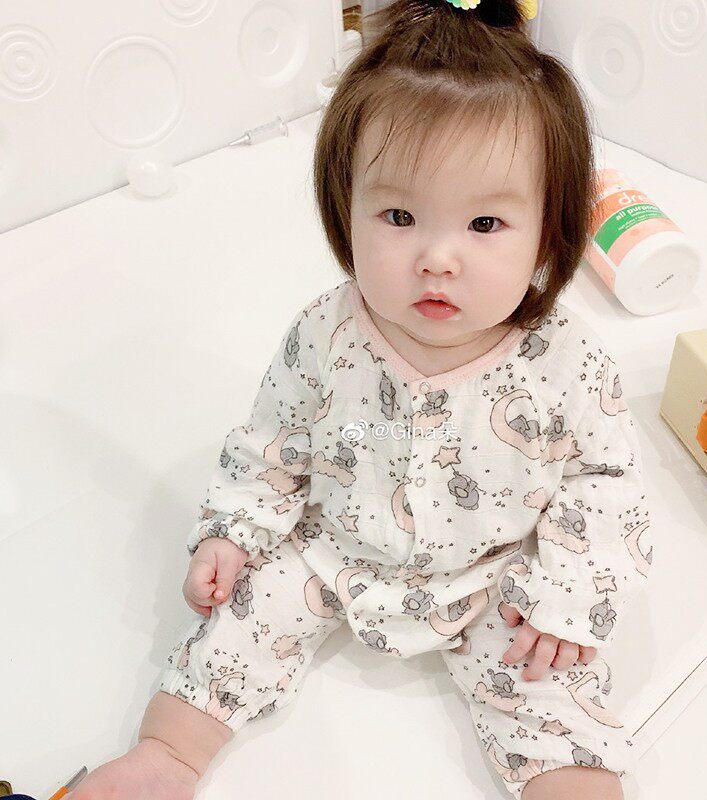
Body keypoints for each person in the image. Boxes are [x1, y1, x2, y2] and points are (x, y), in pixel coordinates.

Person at [71, 1, 654, 797]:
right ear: (345, 207)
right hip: (331, 547)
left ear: (550, 228)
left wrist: (570, 593)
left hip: (497, 571)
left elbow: (606, 482)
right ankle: (168, 754)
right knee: (238, 623)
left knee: (548, 682)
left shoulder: (565, 361)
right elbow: (273, 442)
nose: (438, 257)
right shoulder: (327, 333)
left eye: (486, 222)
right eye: (399, 216)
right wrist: (233, 534)